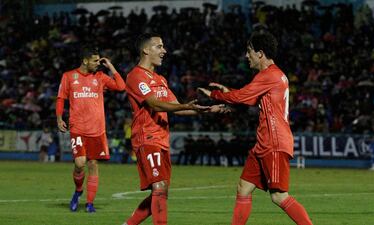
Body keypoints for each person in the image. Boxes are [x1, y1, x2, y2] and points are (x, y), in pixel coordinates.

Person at [198, 31, 313, 225]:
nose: (246, 56)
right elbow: (249, 98)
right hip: (264, 143)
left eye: (249, 51)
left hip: (274, 143)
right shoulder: (274, 76)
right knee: (243, 187)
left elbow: (241, 97)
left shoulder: (270, 75)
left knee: (279, 196)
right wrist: (230, 92)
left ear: (260, 53)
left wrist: (215, 95)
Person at [123, 32, 229, 225]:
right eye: (159, 46)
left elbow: (177, 107)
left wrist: (206, 110)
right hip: (147, 138)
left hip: (162, 141)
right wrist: (185, 106)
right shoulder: (135, 76)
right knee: (160, 188)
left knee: (161, 192)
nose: (164, 51)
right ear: (146, 50)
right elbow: (154, 104)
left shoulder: (161, 80)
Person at [56, 47, 126, 213]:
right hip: (78, 127)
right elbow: (61, 99)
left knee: (93, 164)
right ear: (85, 60)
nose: (98, 63)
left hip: (97, 129)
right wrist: (59, 118)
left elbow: (121, 87)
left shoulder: (100, 77)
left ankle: (89, 203)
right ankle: (78, 190)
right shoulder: (68, 76)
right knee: (80, 163)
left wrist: (111, 67)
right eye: (95, 60)